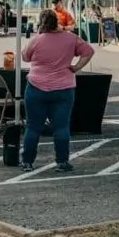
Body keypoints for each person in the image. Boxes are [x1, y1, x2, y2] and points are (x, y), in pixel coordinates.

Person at [20, 9, 95, 173]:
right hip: (63, 87)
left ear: (41, 22)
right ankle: (62, 161)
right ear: (57, 21)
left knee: (33, 126)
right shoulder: (71, 38)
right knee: (61, 126)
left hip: (36, 86)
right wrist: (75, 68)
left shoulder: (37, 40)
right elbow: (88, 51)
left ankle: (27, 162)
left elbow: (25, 57)